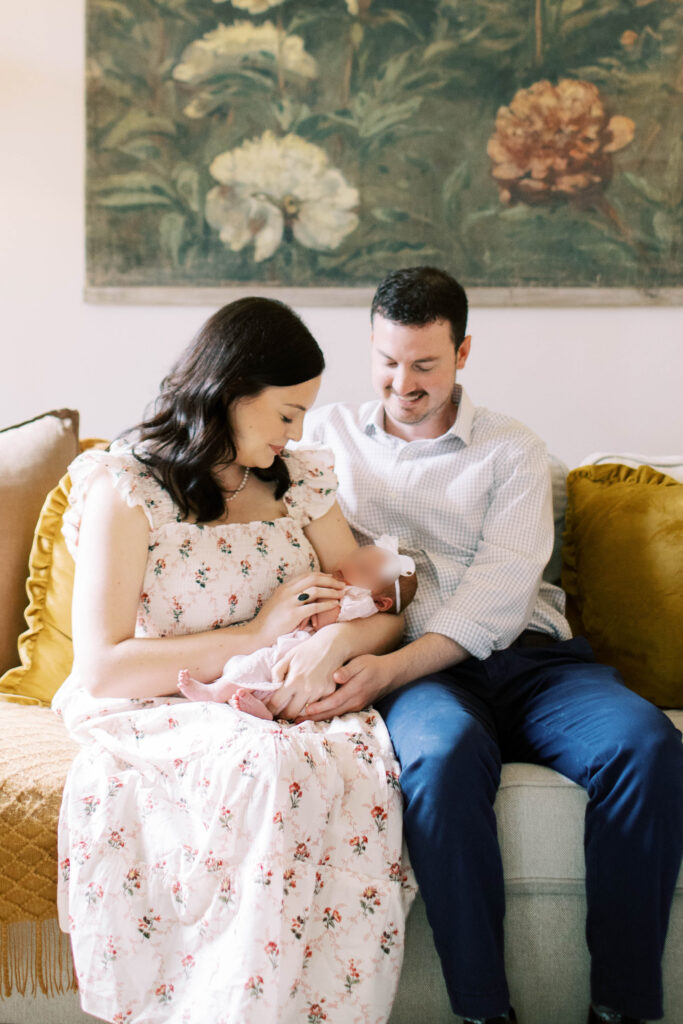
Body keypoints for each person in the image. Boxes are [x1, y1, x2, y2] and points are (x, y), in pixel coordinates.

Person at [301, 266, 683, 1024]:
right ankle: (484, 1011)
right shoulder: (323, 440)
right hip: (424, 681)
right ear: (369, 348)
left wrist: (385, 669)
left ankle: (622, 1006)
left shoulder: (511, 450)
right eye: (386, 360)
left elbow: (500, 596)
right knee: (438, 764)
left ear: (463, 353)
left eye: (424, 364)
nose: (401, 383)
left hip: (528, 664)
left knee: (646, 745)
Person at [52, 297, 415, 1024]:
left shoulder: (301, 481)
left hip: (288, 702)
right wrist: (256, 635)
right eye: (285, 413)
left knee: (343, 767)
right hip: (165, 705)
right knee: (267, 767)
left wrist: (331, 644)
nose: (297, 433)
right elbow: (106, 668)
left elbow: (380, 606)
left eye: (304, 416)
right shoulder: (127, 488)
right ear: (229, 390)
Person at [177, 536, 418, 718]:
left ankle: (216, 693)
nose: (350, 564)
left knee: (261, 663)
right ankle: (259, 709)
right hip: (294, 644)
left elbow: (325, 622)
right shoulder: (348, 591)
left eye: (363, 569)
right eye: (356, 556)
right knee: (243, 664)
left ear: (382, 602)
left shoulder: (360, 602)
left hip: (304, 653)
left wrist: (324, 599)